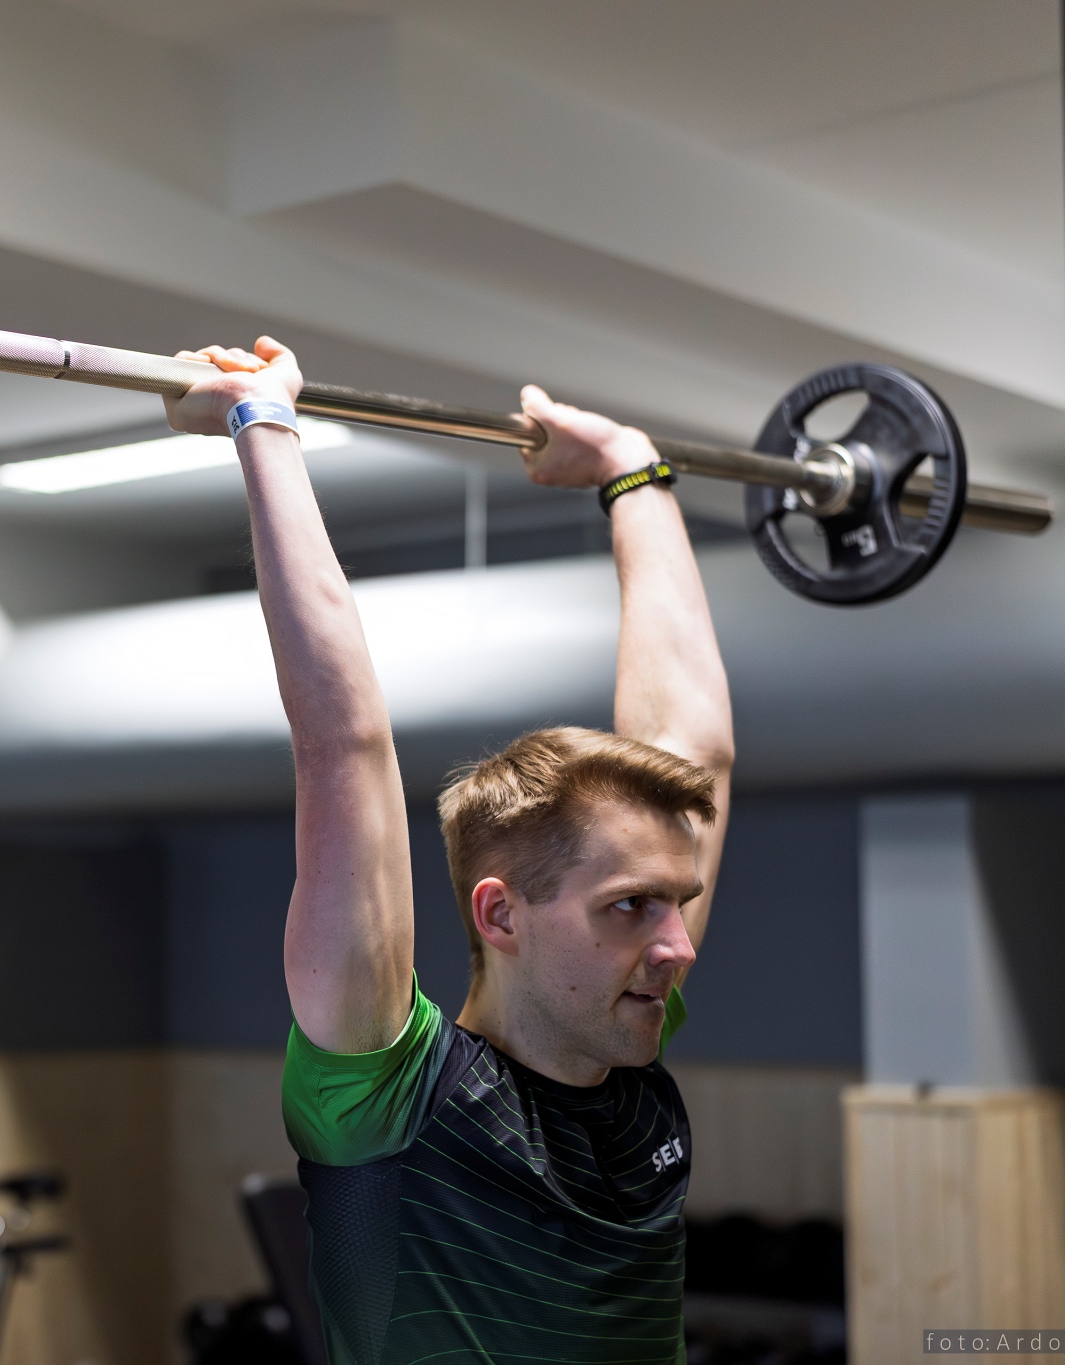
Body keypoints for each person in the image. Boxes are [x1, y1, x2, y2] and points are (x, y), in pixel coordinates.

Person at [165, 338, 733, 1365]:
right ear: (500, 913)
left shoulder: (624, 1031)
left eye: (673, 901)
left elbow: (696, 747)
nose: (677, 944)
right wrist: (263, 422)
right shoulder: (386, 1100)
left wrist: (630, 469)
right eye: (630, 907)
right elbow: (341, 743)